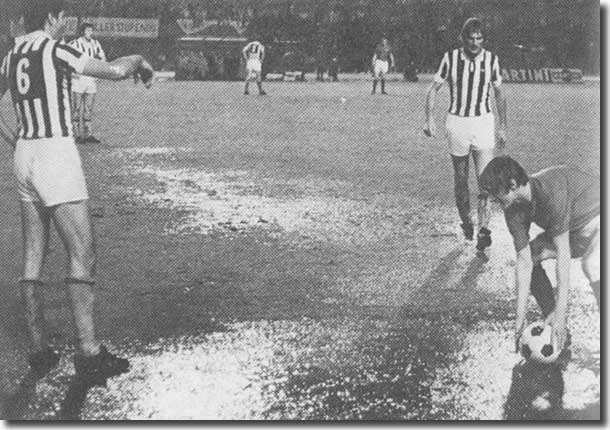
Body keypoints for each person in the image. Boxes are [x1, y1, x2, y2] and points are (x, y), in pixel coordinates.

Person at [0, 0, 154, 384]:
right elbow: (117, 71)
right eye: (63, 17)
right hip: (55, 154)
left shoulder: (13, 54)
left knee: (34, 256)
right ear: (51, 18)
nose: (67, 23)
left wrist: (12, 140)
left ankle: (39, 349)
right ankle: (88, 353)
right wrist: (139, 58)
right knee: (82, 252)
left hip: (25, 155)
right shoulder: (57, 49)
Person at [479, 156, 600, 353]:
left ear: (512, 184)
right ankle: (552, 317)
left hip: (598, 219)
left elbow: (563, 257)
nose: (494, 200)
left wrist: (563, 314)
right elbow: (524, 262)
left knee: (592, 265)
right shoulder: (511, 209)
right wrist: (519, 320)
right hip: (574, 232)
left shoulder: (551, 191)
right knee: (533, 254)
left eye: (496, 194)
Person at [424, 17, 507, 251]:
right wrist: (429, 118)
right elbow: (433, 89)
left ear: (484, 39)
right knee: (461, 179)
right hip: (457, 123)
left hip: (483, 122)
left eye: (479, 38)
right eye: (470, 37)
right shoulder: (450, 58)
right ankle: (466, 221)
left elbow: (500, 94)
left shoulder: (492, 60)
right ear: (463, 38)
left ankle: (483, 229)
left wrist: (503, 127)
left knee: (486, 180)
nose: (475, 42)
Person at [69, 23, 106, 144]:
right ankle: (76, 135)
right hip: (78, 80)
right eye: (88, 30)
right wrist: (71, 72)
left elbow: (102, 57)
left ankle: (88, 134)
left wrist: (98, 69)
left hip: (90, 80)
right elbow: (68, 58)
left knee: (88, 108)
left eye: (91, 30)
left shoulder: (95, 44)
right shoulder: (75, 43)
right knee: (76, 108)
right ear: (83, 32)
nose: (90, 32)